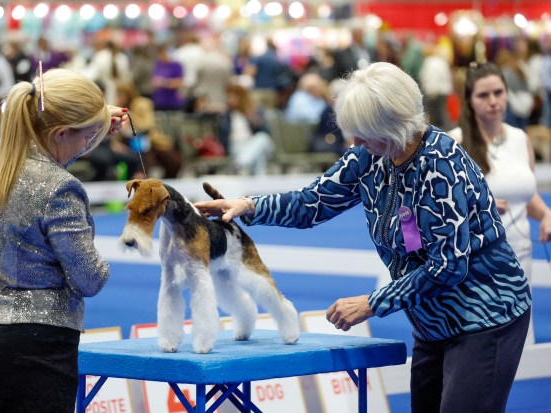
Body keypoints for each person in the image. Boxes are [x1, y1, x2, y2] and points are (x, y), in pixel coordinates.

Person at [195, 62, 532, 413]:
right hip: (434, 323)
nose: (354, 142)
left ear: (393, 125)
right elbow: (312, 203)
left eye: (363, 132)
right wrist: (249, 206)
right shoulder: (371, 155)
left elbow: (448, 267)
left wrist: (372, 303)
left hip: (487, 316)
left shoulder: (441, 166)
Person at [0, 68, 127, 413]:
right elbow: (90, 279)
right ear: (61, 132)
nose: (88, 145)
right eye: (87, 137)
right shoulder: (60, 190)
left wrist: (95, 125)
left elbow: (47, 158)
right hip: (35, 347)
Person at [447, 62, 551, 346]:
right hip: (477, 261)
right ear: (468, 99)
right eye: (483, 95)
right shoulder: (454, 144)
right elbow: (441, 209)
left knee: (520, 343)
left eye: (498, 92)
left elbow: (526, 194)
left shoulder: (520, 138)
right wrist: (479, 207)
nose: (493, 101)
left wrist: (545, 214)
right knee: (485, 345)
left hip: (521, 253)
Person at [218, 83, 274, 175]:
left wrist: (256, 122)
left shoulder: (254, 110)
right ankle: (259, 184)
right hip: (237, 147)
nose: (230, 100)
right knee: (259, 155)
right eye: (228, 97)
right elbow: (223, 136)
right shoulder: (226, 114)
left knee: (263, 138)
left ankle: (239, 163)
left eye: (233, 97)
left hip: (253, 143)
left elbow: (266, 132)